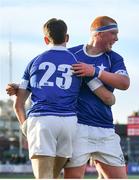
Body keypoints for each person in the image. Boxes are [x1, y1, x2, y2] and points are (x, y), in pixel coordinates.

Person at [6, 17, 116, 179]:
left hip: (41, 121)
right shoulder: (77, 63)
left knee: (45, 176)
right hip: (68, 123)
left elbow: (19, 103)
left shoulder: (34, 62)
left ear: (46, 39)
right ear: (67, 38)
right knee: (55, 175)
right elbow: (108, 99)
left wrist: (24, 126)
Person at [63, 16, 130, 179]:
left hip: (105, 129)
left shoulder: (114, 58)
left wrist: (94, 71)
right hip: (77, 127)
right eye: (113, 33)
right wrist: (26, 87)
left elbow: (124, 83)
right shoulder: (71, 54)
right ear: (99, 34)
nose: (116, 38)